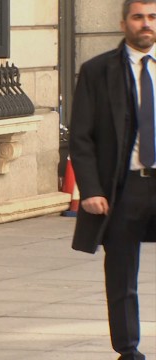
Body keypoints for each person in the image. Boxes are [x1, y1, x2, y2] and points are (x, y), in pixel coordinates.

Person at [69, 1, 156, 359]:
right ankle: (128, 349)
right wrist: (90, 189)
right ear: (124, 23)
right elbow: (82, 136)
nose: (146, 24)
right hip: (126, 186)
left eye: (152, 17)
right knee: (121, 272)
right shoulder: (97, 70)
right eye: (138, 17)